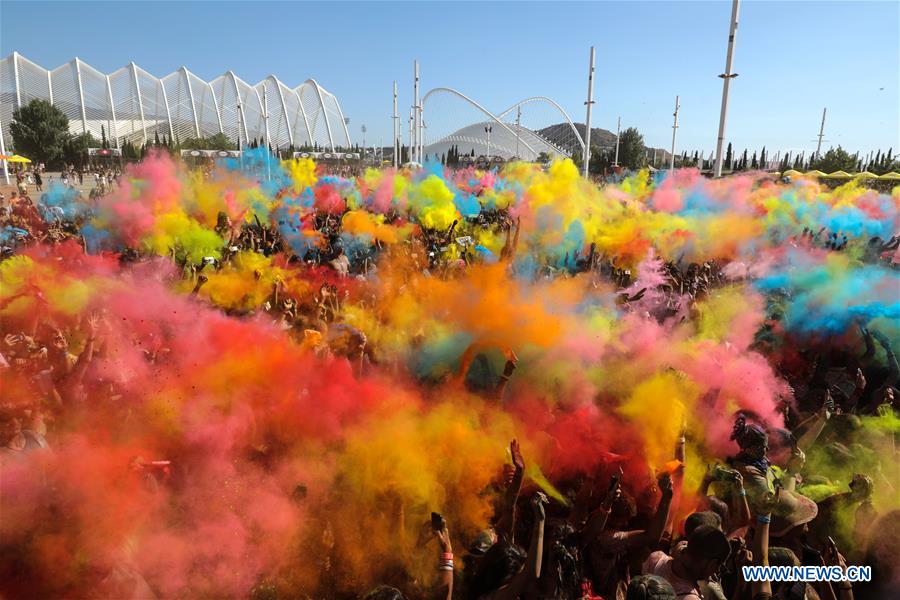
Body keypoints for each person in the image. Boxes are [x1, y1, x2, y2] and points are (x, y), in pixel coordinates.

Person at [642, 525, 731, 600]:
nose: (716, 571)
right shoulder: (690, 598)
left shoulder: (656, 559)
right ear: (712, 563)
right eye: (719, 566)